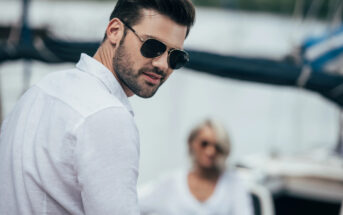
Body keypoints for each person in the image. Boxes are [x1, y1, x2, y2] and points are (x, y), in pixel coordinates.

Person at [0, 0, 195, 214]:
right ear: (114, 31)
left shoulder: (40, 90)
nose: (162, 65)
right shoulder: (108, 116)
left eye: (176, 57)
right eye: (153, 47)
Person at [139, 119, 253, 215]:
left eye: (217, 147)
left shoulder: (234, 183)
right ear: (191, 143)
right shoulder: (170, 183)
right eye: (204, 144)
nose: (210, 151)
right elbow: (133, 204)